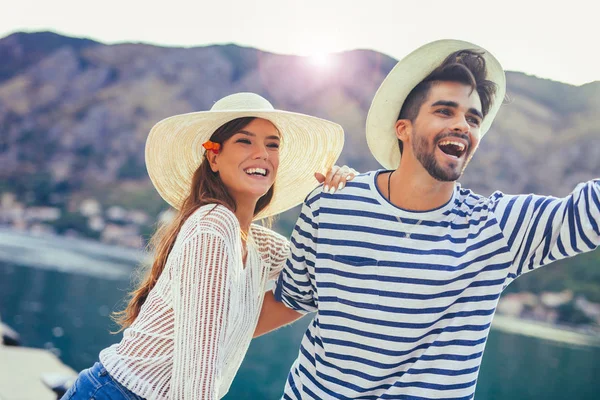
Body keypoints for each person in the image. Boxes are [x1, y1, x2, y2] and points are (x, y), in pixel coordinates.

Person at [255, 40, 600, 399]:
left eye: (473, 118)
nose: (462, 125)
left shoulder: (496, 229)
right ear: (403, 128)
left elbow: (591, 212)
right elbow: (288, 301)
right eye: (445, 111)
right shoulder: (331, 204)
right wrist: (198, 337)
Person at [61, 92, 355, 400]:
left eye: (272, 144)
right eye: (245, 141)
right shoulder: (213, 227)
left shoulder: (258, 245)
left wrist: (347, 193)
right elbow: (196, 370)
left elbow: (323, 272)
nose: (262, 153)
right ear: (214, 157)